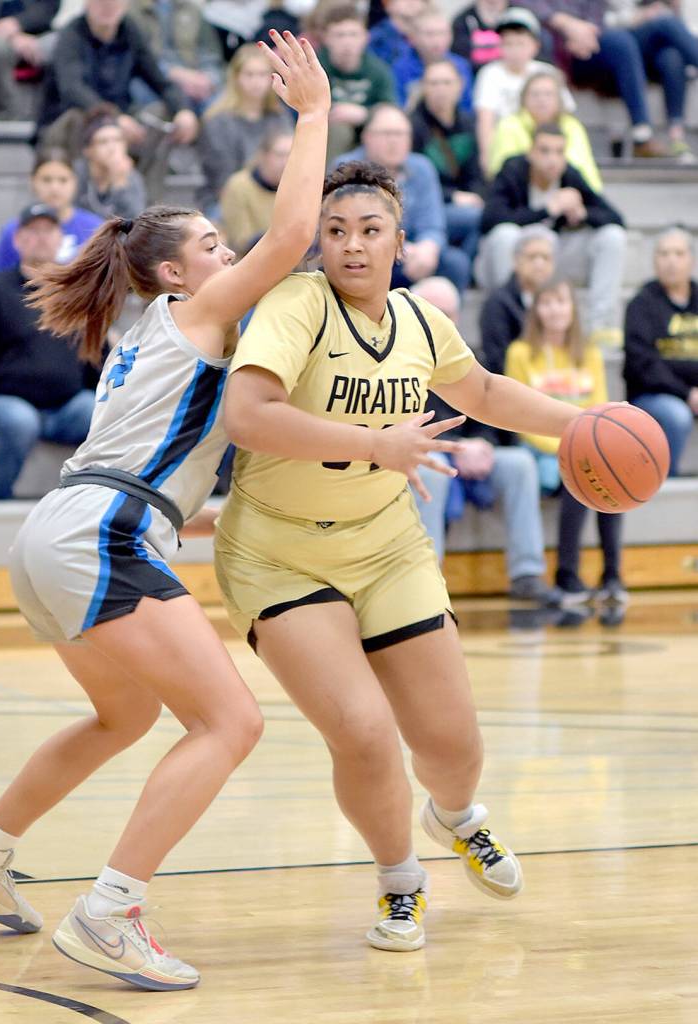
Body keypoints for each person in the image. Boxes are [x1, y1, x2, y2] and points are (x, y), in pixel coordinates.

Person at [0, 30, 334, 992]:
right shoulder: (192, 315)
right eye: (210, 247)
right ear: (174, 275)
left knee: (124, 714)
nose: (227, 256)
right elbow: (287, 238)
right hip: (97, 530)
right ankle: (110, 911)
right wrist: (312, 115)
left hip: (63, 529)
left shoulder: (152, 327)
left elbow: (166, 472)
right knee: (230, 723)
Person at [215, 159, 587, 954]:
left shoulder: (419, 319)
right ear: (317, 241)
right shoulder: (296, 303)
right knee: (362, 730)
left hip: (386, 547)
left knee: (454, 747)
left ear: (400, 241)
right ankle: (400, 883)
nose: (351, 246)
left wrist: (581, 426)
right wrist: (373, 445)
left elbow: (482, 393)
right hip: (280, 553)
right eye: (336, 231)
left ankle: (453, 816)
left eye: (369, 230)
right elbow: (247, 415)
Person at [409, 278, 559, 605]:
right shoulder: (400, 363)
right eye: (434, 313)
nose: (443, 321)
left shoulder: (470, 358)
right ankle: (426, 583)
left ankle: (527, 574)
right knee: (433, 473)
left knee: (520, 464)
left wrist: (484, 444)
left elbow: (491, 416)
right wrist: (458, 448)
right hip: (425, 453)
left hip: (469, 451)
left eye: (449, 313)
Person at [0, 204, 98, 500]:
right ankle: (0, 500)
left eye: (48, 231)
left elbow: (97, 355)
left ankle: (87, 504)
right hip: (5, 403)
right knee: (20, 420)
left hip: (67, 407)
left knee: (98, 412)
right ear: (17, 240)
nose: (41, 238)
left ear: (61, 239)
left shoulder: (76, 293)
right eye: (32, 231)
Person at [505, 276, 626, 605]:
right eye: (547, 302)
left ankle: (612, 576)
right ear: (537, 310)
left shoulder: (588, 353)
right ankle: (567, 574)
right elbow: (518, 418)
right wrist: (569, 449)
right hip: (540, 451)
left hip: (581, 446)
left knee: (612, 478)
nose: (555, 309)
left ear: (573, 309)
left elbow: (599, 407)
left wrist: (581, 449)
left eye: (561, 301)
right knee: (581, 477)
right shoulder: (520, 353)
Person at [478, 124, 626, 347]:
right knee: (504, 235)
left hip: (553, 258)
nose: (552, 159)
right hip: (510, 258)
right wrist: (548, 210)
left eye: (559, 152)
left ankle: (601, 327)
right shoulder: (513, 169)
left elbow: (616, 218)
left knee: (612, 237)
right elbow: (489, 219)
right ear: (531, 153)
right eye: (545, 151)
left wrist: (583, 213)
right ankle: (510, 317)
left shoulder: (569, 176)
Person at [39, 0, 198, 201]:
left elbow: (160, 81)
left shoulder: (130, 31)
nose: (108, 6)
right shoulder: (71, 35)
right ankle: (79, 200)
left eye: (114, 2)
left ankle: (148, 201)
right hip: (66, 124)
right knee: (79, 118)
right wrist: (112, 118)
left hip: (120, 119)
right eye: (101, 2)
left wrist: (183, 110)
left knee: (161, 114)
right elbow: (72, 90)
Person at [524, 0, 698, 158]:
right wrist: (567, 26)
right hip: (566, 50)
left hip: (598, 41)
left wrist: (586, 33)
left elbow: (598, 18)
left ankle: (672, 134)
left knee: (670, 54)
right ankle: (642, 135)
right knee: (625, 39)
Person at [337, 103, 472, 295]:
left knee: (456, 263)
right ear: (366, 137)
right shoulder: (348, 169)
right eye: (386, 134)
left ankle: (440, 322)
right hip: (366, 252)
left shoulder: (422, 168)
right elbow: (352, 229)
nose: (394, 141)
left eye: (400, 134)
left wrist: (428, 249)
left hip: (414, 253)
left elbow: (432, 224)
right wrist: (402, 248)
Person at [624, 226, 698, 475]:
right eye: (664, 254)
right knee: (677, 416)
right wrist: (687, 393)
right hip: (652, 396)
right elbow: (643, 364)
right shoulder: (642, 304)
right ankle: (667, 483)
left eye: (678, 253)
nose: (671, 261)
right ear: (654, 261)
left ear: (691, 259)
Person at [473, 7, 574, 174]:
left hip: (548, 146)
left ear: (535, 46)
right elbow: (486, 122)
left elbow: (566, 118)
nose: (514, 50)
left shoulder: (548, 73)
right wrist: (487, 161)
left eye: (520, 43)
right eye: (508, 44)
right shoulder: (490, 74)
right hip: (507, 148)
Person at [197, 42, 293, 215]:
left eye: (262, 75)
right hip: (227, 198)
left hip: (275, 193)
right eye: (249, 75)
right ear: (236, 78)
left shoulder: (279, 116)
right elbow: (222, 181)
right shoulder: (218, 121)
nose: (256, 82)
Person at [410, 58, 485, 274]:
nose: (440, 90)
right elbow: (413, 181)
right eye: (434, 83)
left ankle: (465, 270)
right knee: (476, 217)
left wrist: (476, 195)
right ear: (424, 87)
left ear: (460, 85)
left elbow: (476, 174)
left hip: (465, 201)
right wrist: (453, 196)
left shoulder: (468, 123)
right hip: (429, 206)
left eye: (446, 83)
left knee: (487, 213)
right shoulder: (413, 126)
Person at [488, 68, 601, 189]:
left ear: (559, 99)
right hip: (520, 196)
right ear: (523, 98)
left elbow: (585, 168)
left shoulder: (572, 126)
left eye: (548, 94)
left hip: (568, 192)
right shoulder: (509, 125)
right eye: (535, 94)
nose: (541, 100)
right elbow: (501, 170)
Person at [0, 148, 102, 272]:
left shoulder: (95, 229)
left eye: (63, 180)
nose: (54, 188)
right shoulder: (14, 231)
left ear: (75, 182)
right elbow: (0, 280)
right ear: (32, 182)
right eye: (46, 180)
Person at [316, 2, 396, 158]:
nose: (347, 42)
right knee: (340, 130)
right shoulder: (315, 67)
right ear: (326, 38)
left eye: (353, 34)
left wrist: (365, 114)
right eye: (340, 35)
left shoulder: (378, 70)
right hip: (325, 132)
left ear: (365, 37)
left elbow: (390, 109)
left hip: (368, 132)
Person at [479, 222, 556, 373]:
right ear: (516, 261)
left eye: (545, 257)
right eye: (532, 257)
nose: (539, 264)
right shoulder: (497, 304)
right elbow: (497, 361)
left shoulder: (561, 302)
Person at [219, 129, 293, 254]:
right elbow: (241, 242)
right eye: (280, 155)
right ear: (263, 156)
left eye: (291, 155)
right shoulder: (239, 186)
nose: (286, 162)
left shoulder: (299, 188)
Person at [73, 107, 148, 221]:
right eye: (103, 142)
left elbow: (134, 223)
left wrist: (119, 185)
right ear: (88, 149)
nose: (112, 148)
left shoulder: (131, 176)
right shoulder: (75, 174)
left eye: (117, 140)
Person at [392, 7, 474, 111]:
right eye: (430, 34)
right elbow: (399, 108)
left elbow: (467, 108)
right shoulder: (400, 68)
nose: (437, 40)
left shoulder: (461, 66)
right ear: (413, 37)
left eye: (442, 33)